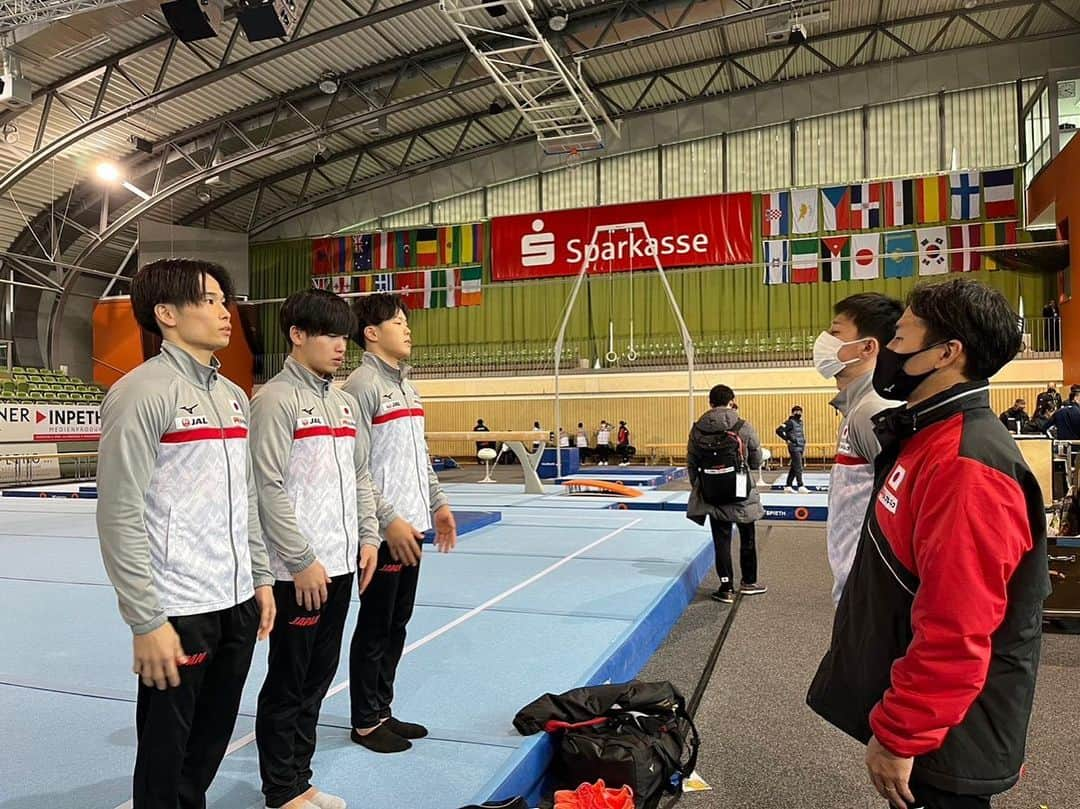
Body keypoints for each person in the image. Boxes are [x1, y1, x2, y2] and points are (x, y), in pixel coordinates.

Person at [807, 278, 1049, 809]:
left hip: (946, 734)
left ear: (945, 352)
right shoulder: (927, 436)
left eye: (900, 338)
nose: (889, 351)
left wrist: (903, 731)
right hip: (939, 721)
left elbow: (957, 623)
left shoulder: (966, 464)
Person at [96, 258, 276, 809]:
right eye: (210, 300)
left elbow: (244, 495)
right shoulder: (142, 393)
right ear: (167, 313)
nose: (226, 312)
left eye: (226, 300)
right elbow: (119, 512)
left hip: (236, 598)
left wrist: (261, 576)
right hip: (178, 606)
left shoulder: (233, 397)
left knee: (211, 737)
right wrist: (146, 619)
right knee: (166, 747)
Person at [251, 290, 381, 809]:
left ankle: (300, 781)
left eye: (344, 336)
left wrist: (368, 534)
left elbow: (358, 473)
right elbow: (267, 487)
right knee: (289, 681)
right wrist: (301, 560)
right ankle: (281, 791)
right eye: (328, 334)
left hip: (342, 562)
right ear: (296, 335)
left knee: (318, 681)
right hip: (297, 571)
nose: (339, 346)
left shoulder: (343, 401)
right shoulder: (275, 400)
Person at [344, 293, 458, 754]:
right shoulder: (361, 386)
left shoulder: (408, 388)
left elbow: (419, 458)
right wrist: (385, 520)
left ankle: (382, 708)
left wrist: (439, 504)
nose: (407, 328)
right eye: (397, 321)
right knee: (375, 625)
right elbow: (356, 466)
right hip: (383, 531)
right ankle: (365, 721)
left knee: (397, 623)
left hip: (412, 527)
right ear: (371, 333)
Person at [813, 292, 903, 605]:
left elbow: (908, 507)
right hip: (858, 589)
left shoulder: (871, 412)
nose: (824, 340)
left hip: (872, 595)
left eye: (835, 332)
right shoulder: (857, 409)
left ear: (867, 347)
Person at [686, 384, 767, 604]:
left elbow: (692, 463)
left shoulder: (697, 429)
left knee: (721, 540)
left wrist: (703, 484)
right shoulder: (743, 426)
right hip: (741, 491)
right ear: (732, 401)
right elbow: (756, 459)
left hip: (712, 493)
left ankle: (726, 587)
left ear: (710, 403)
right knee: (747, 537)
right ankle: (748, 582)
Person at [775, 405, 807, 492]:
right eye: (796, 411)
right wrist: (787, 439)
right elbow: (779, 430)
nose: (798, 413)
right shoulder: (789, 422)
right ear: (792, 413)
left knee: (794, 466)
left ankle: (788, 485)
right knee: (799, 466)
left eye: (800, 411)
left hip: (800, 446)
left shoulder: (800, 422)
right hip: (794, 447)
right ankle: (800, 485)